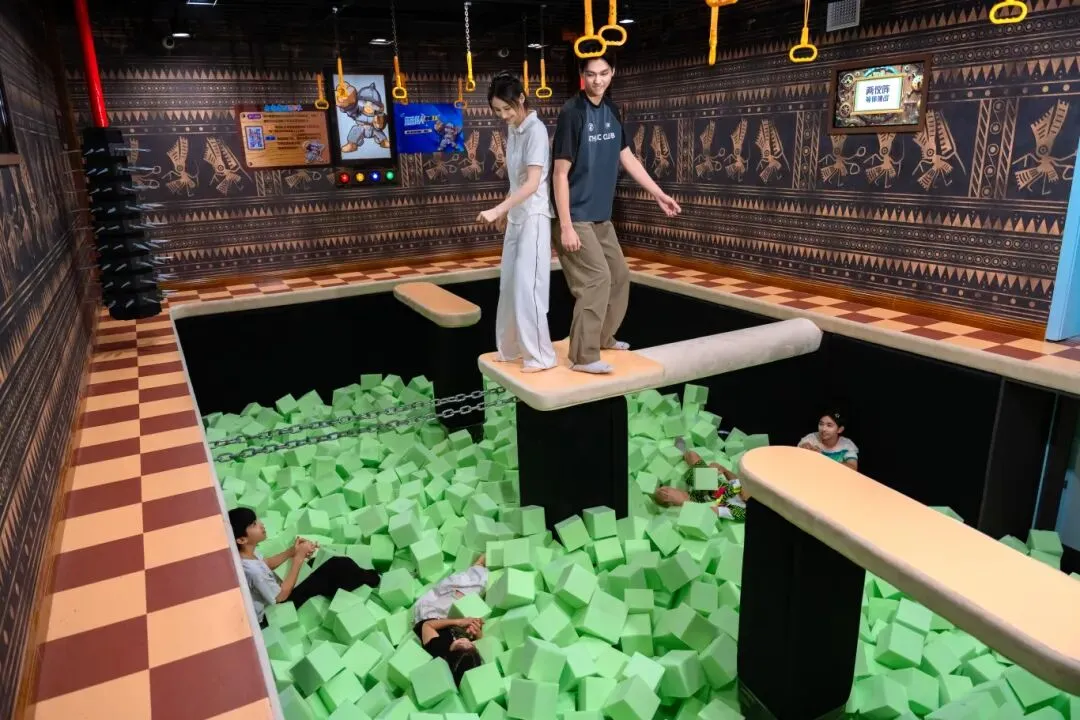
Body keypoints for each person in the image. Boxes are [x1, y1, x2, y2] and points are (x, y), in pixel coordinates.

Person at [551, 52, 682, 374]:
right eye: (591, 74)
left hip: (600, 217)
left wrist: (658, 194)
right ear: (582, 76)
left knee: (619, 276)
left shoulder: (611, 109)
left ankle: (603, 337)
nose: (598, 80)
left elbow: (627, 156)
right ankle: (583, 357)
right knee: (596, 280)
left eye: (604, 73)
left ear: (613, 73)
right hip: (576, 216)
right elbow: (559, 173)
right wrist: (565, 226)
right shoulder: (572, 113)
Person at [477, 72, 557, 373]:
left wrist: (497, 209)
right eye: (497, 110)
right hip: (517, 216)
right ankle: (510, 349)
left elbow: (533, 183)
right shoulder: (514, 129)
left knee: (528, 288)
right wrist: (506, 213)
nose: (503, 115)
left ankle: (541, 357)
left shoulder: (536, 130)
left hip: (534, 217)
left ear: (521, 98)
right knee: (509, 283)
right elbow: (517, 181)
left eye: (507, 108)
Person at [229, 507, 381, 626]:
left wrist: (292, 551)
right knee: (337, 565)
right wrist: (298, 558)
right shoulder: (254, 572)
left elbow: (266, 563)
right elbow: (280, 597)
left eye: (257, 520)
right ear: (242, 540)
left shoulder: (245, 554)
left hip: (275, 590)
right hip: (271, 613)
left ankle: (341, 584)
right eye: (254, 525)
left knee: (319, 563)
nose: (261, 524)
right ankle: (369, 579)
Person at [413, 555, 488, 685]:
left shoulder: (438, 650)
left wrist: (458, 622)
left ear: (451, 654)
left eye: (461, 644)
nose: (466, 642)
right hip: (450, 621)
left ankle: (478, 563)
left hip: (430, 614)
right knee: (478, 590)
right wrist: (477, 633)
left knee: (463, 590)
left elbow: (427, 626)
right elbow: (473, 641)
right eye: (470, 646)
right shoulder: (469, 659)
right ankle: (478, 566)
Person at [654, 437, 749, 520]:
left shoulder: (742, 512)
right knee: (692, 455)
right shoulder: (748, 485)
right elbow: (734, 479)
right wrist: (722, 469)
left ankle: (659, 499)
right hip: (710, 482)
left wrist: (684, 502)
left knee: (664, 494)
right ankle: (683, 453)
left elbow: (710, 510)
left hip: (700, 500)